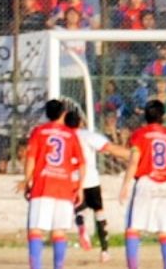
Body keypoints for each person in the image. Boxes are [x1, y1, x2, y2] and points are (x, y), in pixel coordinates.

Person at [119, 100, 166, 269]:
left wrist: (125, 185)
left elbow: (134, 161)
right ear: (163, 116)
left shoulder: (139, 134)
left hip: (145, 182)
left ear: (145, 115)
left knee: (133, 229)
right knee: (165, 232)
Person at [18, 99, 86, 269]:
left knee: (36, 230)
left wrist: (27, 180)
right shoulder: (71, 134)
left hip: (43, 186)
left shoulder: (39, 131)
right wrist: (80, 188)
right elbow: (81, 164)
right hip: (64, 188)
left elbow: (31, 158)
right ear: (63, 113)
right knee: (59, 232)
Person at [65, 110, 130, 263]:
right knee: (99, 212)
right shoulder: (87, 135)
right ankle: (104, 251)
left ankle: (81, 224)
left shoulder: (63, 137)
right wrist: (131, 155)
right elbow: (109, 148)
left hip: (71, 179)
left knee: (79, 208)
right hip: (90, 179)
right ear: (80, 122)